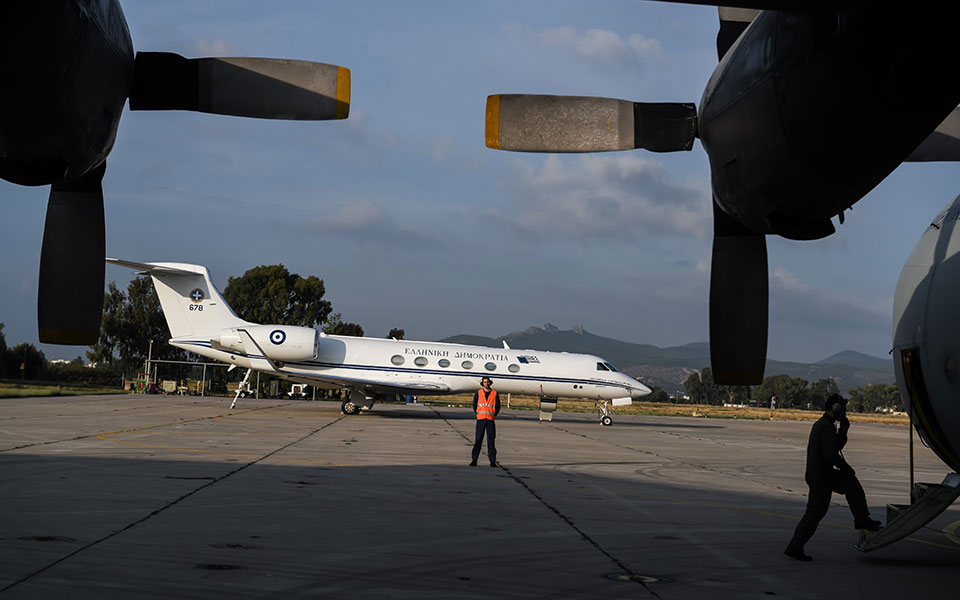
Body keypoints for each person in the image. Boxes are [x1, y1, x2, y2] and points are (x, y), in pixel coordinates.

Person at [785, 394, 882, 561]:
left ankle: (862, 519)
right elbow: (831, 453)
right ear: (836, 409)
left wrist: (843, 431)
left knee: (850, 485)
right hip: (821, 476)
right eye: (842, 409)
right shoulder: (825, 427)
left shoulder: (825, 424)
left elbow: (835, 447)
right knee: (815, 512)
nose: (844, 412)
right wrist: (845, 466)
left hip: (823, 474)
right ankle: (795, 547)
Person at [470, 377, 500, 467]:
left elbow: (497, 406)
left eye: (487, 382)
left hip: (490, 419)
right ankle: (474, 460)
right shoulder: (478, 393)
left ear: (490, 383)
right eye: (485, 382)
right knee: (478, 440)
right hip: (481, 419)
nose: (486, 384)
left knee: (491, 441)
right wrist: (478, 413)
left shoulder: (495, 393)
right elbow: (474, 404)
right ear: (482, 383)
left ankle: (492, 461)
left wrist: (493, 414)